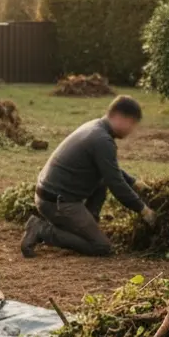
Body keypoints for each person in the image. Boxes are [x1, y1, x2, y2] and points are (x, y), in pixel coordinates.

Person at [21, 95, 156, 258]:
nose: (132, 130)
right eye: (132, 123)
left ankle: (88, 223)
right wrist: (143, 209)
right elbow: (116, 185)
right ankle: (42, 229)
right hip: (57, 203)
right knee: (101, 247)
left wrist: (134, 182)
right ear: (119, 117)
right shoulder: (102, 140)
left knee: (102, 180)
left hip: (52, 195)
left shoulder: (96, 127)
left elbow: (109, 170)